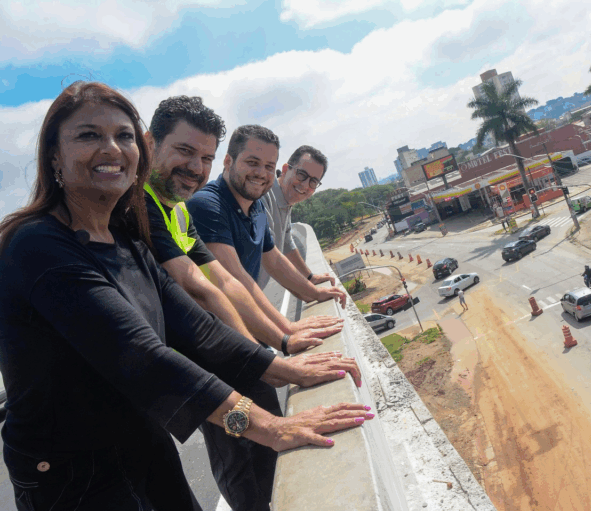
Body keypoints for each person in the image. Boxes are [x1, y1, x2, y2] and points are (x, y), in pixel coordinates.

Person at [0, 82, 373, 511]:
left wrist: (283, 367)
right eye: (89, 135)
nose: (112, 149)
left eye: (123, 136)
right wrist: (269, 426)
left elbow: (196, 327)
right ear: (53, 155)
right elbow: (142, 357)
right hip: (71, 475)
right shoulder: (37, 245)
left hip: (143, 440)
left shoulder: (126, 239)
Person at [143, 96, 349, 509]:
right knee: (238, 452)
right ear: (150, 144)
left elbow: (223, 282)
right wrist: (269, 357)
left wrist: (269, 349)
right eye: (184, 151)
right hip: (194, 370)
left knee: (268, 448)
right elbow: (199, 286)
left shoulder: (178, 210)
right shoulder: (144, 206)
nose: (195, 166)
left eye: (204, 157)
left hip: (221, 350)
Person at [144, 96, 341, 354]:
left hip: (237, 325)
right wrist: (284, 337)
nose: (260, 173)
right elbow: (226, 281)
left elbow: (272, 257)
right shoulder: (204, 204)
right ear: (228, 162)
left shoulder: (252, 205)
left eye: (268, 166)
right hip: (209, 339)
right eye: (252, 163)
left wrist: (312, 293)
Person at [259, 145, 335, 289]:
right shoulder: (263, 196)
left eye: (313, 181)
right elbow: (271, 257)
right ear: (285, 169)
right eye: (301, 174)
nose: (305, 185)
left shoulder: (284, 200)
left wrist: (310, 277)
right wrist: (312, 292)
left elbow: (287, 243)